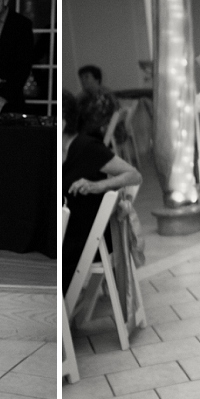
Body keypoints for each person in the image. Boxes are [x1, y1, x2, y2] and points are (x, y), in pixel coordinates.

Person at [62, 90, 140, 298]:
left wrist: (98, 186)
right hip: (74, 233)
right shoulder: (60, 151)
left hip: (89, 238)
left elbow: (134, 175)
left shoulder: (86, 147)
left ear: (61, 124)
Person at [75, 64, 121, 142]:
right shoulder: (85, 96)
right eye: (81, 77)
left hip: (104, 135)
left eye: (86, 77)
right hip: (95, 134)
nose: (83, 80)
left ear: (97, 79)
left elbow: (95, 122)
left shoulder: (104, 96)